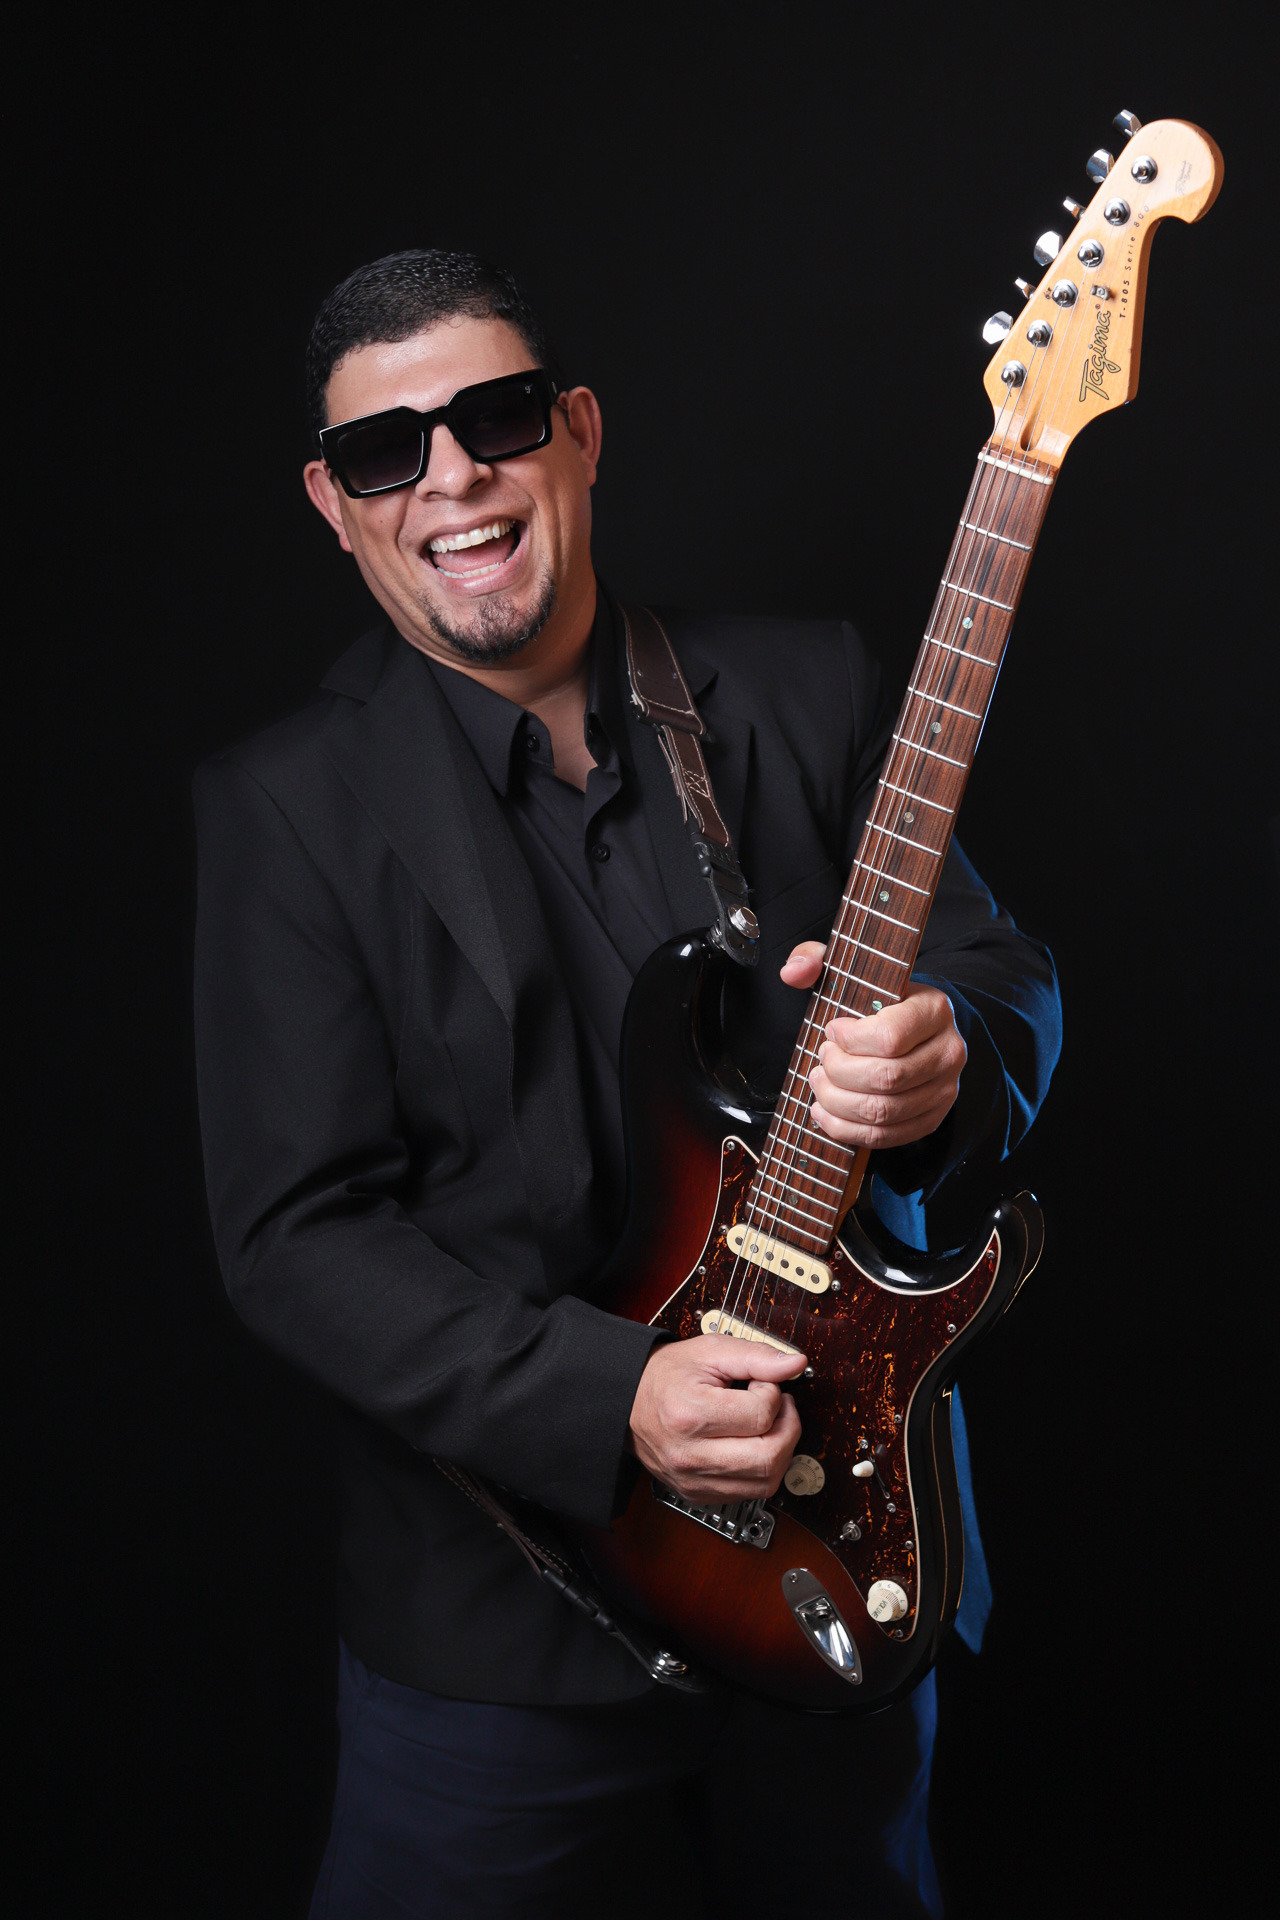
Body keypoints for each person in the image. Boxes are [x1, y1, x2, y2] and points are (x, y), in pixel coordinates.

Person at [193, 250, 1061, 1919]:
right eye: (386, 450)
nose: (453, 478)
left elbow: (1000, 968)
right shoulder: (286, 813)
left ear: (579, 432)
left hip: (841, 1556)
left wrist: (949, 1050)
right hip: (500, 1650)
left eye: (498, 418)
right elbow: (297, 1238)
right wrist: (613, 1401)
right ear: (334, 503)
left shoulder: (806, 690)